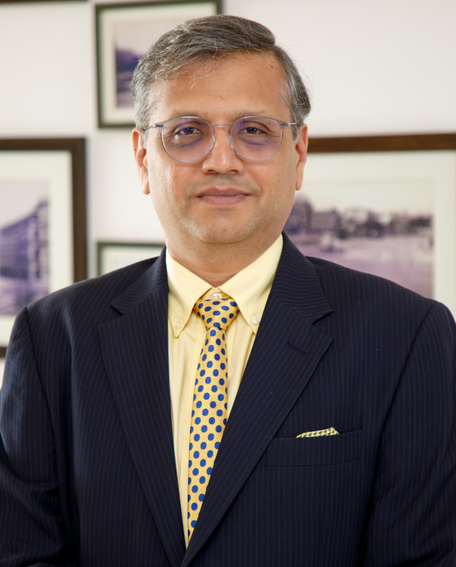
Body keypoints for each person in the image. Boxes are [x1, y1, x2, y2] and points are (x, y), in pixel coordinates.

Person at [1, 14, 455, 567]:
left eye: (253, 130)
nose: (221, 161)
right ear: (144, 158)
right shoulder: (52, 336)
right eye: (187, 132)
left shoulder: (407, 336)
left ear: (298, 154)